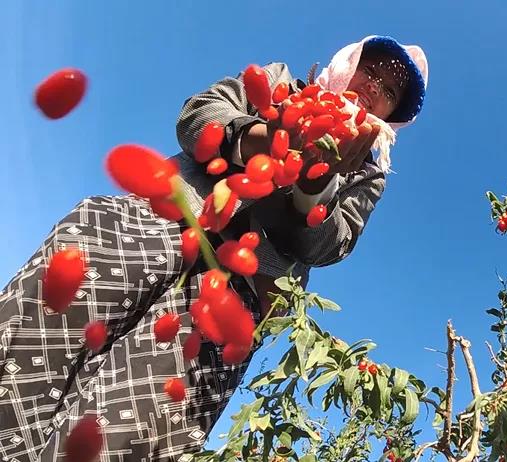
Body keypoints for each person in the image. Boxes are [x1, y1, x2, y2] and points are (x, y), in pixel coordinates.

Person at [0, 35, 428, 461]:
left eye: (389, 91)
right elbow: (199, 115)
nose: (374, 87)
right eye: (370, 70)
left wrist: (313, 187)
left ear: (393, 114)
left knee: (130, 425)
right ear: (347, 60)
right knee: (40, 335)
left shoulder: (369, 170)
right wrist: (269, 137)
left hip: (238, 294)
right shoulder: (280, 85)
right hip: (156, 222)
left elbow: (332, 243)